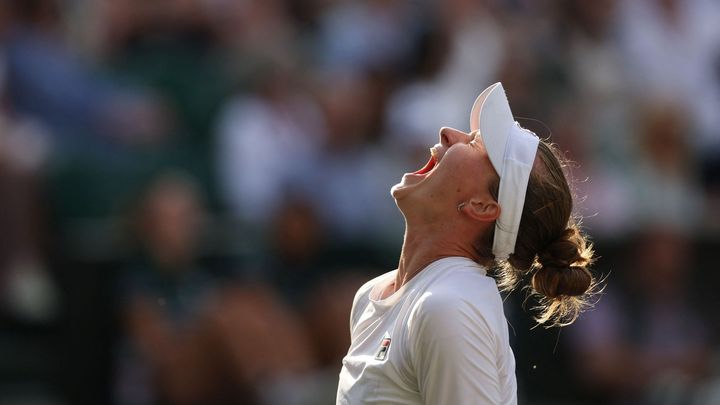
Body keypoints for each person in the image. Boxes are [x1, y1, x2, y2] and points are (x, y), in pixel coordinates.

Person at [336, 82, 596, 404]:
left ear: (483, 206)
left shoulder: (448, 308)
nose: (447, 133)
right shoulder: (373, 295)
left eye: (474, 144)